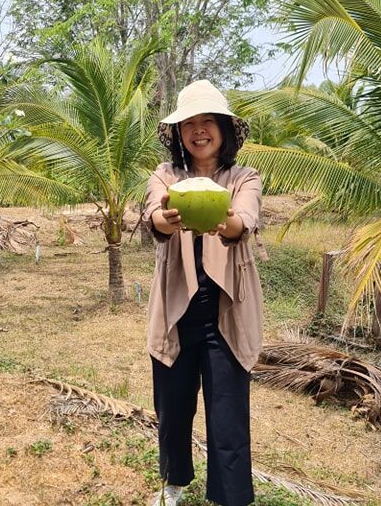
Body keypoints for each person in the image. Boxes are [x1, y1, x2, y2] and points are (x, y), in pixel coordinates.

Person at [142, 79, 263, 506]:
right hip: (178, 309)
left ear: (225, 129)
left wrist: (224, 222)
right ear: (178, 133)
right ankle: (174, 482)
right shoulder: (168, 175)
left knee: (228, 416)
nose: (198, 130)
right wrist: (165, 219)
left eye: (208, 121)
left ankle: (230, 498)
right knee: (172, 410)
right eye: (189, 123)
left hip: (226, 309)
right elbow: (153, 211)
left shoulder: (243, 177)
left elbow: (244, 220)